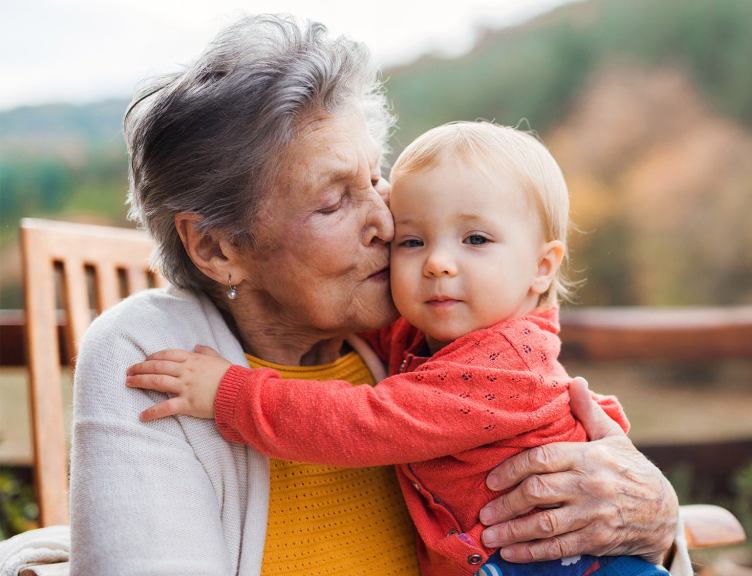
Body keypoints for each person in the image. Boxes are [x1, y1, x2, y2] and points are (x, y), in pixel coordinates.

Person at [69, 14, 684, 576]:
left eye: (373, 180)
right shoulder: (149, 354)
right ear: (217, 248)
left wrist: (656, 517)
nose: (387, 225)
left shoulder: (419, 337)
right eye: (335, 200)